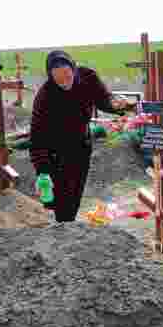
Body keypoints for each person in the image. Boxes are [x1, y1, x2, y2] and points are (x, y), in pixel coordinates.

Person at [29, 50, 134, 223]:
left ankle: (66, 226)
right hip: (55, 150)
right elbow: (37, 136)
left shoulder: (88, 77)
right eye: (59, 80)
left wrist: (118, 106)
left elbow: (103, 100)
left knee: (75, 192)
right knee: (59, 198)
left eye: (67, 76)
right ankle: (63, 227)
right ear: (51, 77)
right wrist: (42, 170)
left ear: (73, 69)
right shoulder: (45, 96)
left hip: (81, 145)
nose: (64, 83)